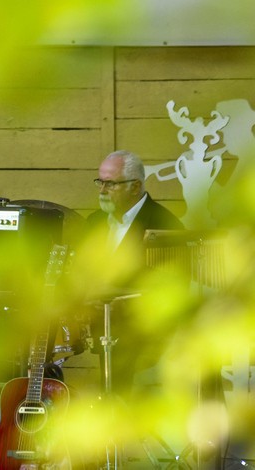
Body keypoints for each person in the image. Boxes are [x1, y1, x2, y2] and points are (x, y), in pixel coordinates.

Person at [83, 150, 184, 396]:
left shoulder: (164, 225)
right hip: (102, 333)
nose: (102, 190)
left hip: (147, 347)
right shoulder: (94, 222)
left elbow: (174, 290)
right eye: (100, 182)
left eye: (110, 183)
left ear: (135, 186)